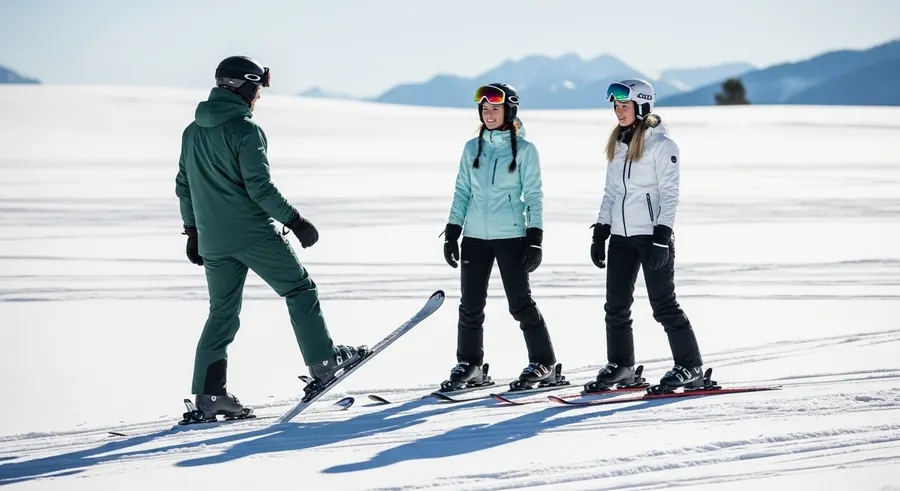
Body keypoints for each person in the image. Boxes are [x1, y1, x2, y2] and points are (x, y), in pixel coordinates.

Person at [174, 55, 363, 420]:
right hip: (252, 234)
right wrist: (296, 221)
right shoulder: (245, 130)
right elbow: (259, 188)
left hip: (213, 240)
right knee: (299, 289)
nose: (258, 96)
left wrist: (193, 231)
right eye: (258, 88)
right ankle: (324, 363)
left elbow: (184, 187)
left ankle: (210, 396)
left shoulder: (192, 131)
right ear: (245, 87)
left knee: (222, 314)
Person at [439, 82, 563, 392]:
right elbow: (462, 192)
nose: (489, 113)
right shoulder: (471, 148)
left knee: (520, 304)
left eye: (495, 108)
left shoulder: (525, 150)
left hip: (511, 236)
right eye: (484, 109)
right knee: (470, 305)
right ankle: (470, 364)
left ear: (509, 111)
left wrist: (535, 238)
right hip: (475, 237)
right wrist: (453, 231)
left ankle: (544, 362)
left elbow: (534, 195)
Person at [586, 78, 705, 393]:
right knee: (615, 306)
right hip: (621, 238)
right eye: (616, 105)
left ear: (642, 105)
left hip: (651, 236)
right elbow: (611, 192)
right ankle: (622, 366)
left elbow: (670, 194)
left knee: (663, 305)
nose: (619, 111)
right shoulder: (619, 144)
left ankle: (690, 366)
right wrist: (601, 231)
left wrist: (662, 236)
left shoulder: (663, 145)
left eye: (625, 105)